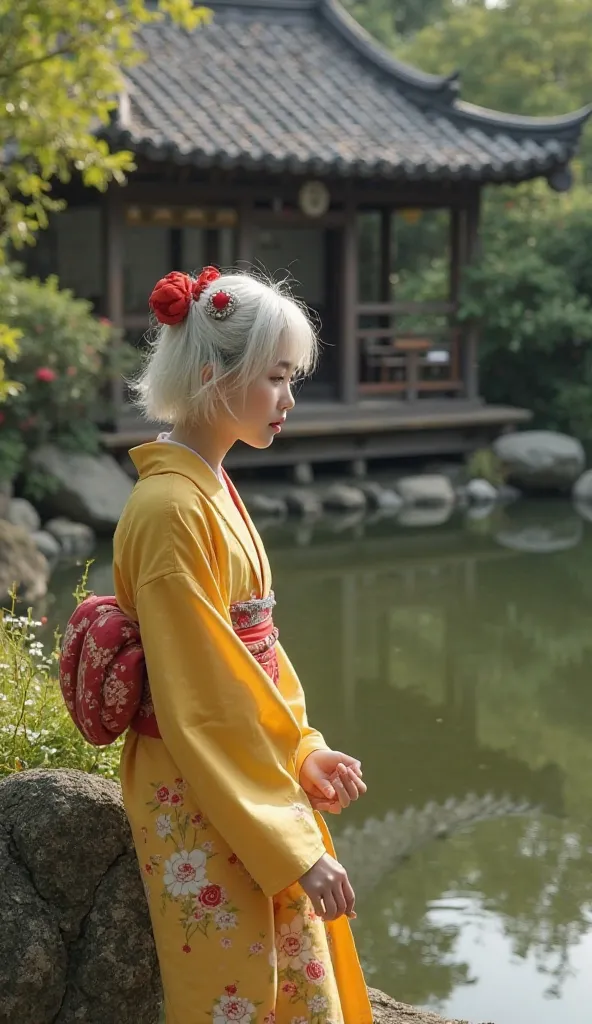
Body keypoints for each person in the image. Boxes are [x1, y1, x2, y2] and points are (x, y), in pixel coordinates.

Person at [112, 267, 372, 1024]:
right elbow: (202, 698)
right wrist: (293, 846)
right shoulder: (170, 508)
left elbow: (254, 658)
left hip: (241, 773)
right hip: (200, 785)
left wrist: (303, 750)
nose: (289, 401)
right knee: (235, 991)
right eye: (276, 379)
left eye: (291, 380)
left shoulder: (207, 487)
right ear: (209, 376)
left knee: (289, 978)